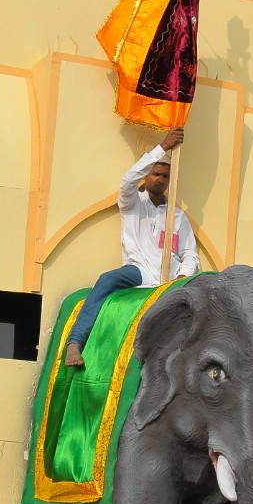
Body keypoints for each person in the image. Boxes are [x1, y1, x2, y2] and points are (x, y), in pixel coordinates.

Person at [64, 128, 199, 370]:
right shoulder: (132, 203)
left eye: (165, 176)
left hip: (171, 281)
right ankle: (75, 342)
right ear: (146, 176)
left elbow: (189, 253)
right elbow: (127, 180)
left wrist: (182, 277)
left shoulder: (177, 217)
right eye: (155, 173)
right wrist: (163, 147)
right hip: (139, 272)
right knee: (106, 280)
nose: (160, 179)